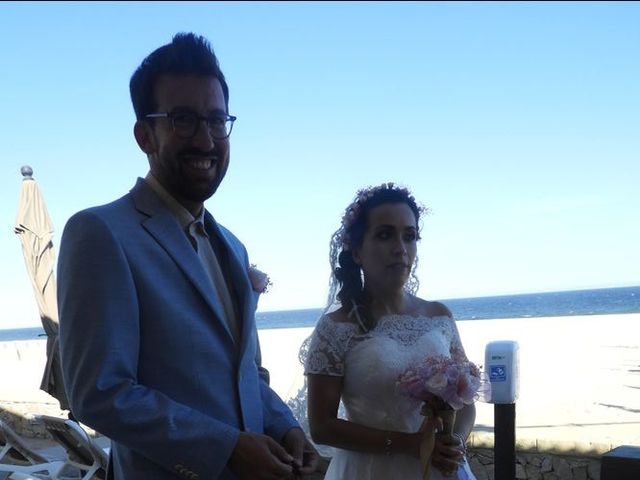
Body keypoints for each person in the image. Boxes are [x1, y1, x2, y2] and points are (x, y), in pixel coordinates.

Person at [57, 32, 318, 480]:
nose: (205, 139)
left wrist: (286, 426)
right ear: (145, 135)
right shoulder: (101, 233)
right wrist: (227, 448)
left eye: (217, 121)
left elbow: (246, 376)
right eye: (183, 120)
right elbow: (100, 393)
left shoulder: (232, 247)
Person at [302, 183, 478, 479]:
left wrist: (455, 441)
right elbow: (321, 427)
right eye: (385, 235)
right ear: (357, 251)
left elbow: (466, 402)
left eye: (409, 236)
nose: (400, 248)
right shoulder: (336, 327)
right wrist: (411, 445)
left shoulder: (440, 316)